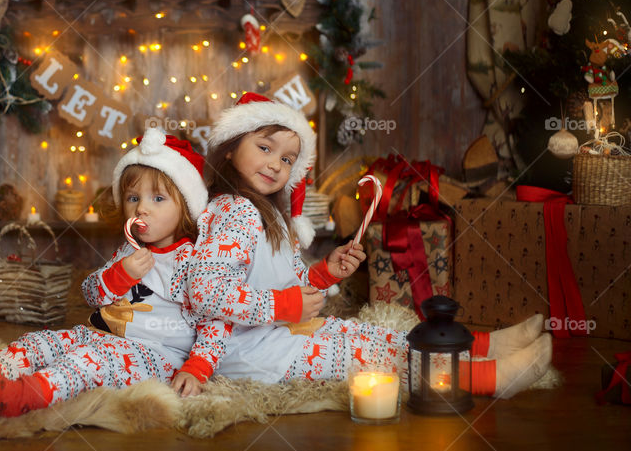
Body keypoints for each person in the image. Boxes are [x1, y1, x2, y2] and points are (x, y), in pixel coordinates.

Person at [180, 92, 551, 397]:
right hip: (248, 350)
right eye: (264, 147)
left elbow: (289, 280)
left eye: (287, 159)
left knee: (371, 334)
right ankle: (485, 379)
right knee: (370, 355)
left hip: (277, 331)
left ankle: (481, 347)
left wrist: (324, 272)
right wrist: (283, 305)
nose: (276, 164)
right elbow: (205, 291)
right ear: (229, 148)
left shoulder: (269, 215)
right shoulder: (233, 211)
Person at [0, 128, 226, 416]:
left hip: (158, 356)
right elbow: (90, 293)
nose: (141, 208)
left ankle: (27, 395)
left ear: (185, 206)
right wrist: (120, 274)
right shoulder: (129, 250)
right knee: (46, 342)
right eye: (133, 198)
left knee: (86, 363)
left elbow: (216, 320)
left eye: (158, 198)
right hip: (104, 334)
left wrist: (196, 368)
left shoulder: (195, 260)